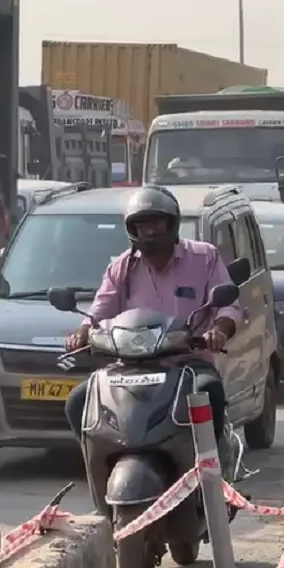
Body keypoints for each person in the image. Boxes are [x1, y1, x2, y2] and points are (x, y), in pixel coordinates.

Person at [63, 186, 241, 461]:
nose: (150, 231)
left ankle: (211, 468)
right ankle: (100, 466)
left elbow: (228, 304)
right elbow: (100, 311)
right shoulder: (121, 268)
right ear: (132, 229)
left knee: (210, 391)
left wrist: (219, 330)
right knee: (78, 401)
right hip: (130, 368)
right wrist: (83, 332)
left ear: (172, 224)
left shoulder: (204, 257)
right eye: (143, 225)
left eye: (157, 223)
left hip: (187, 364)